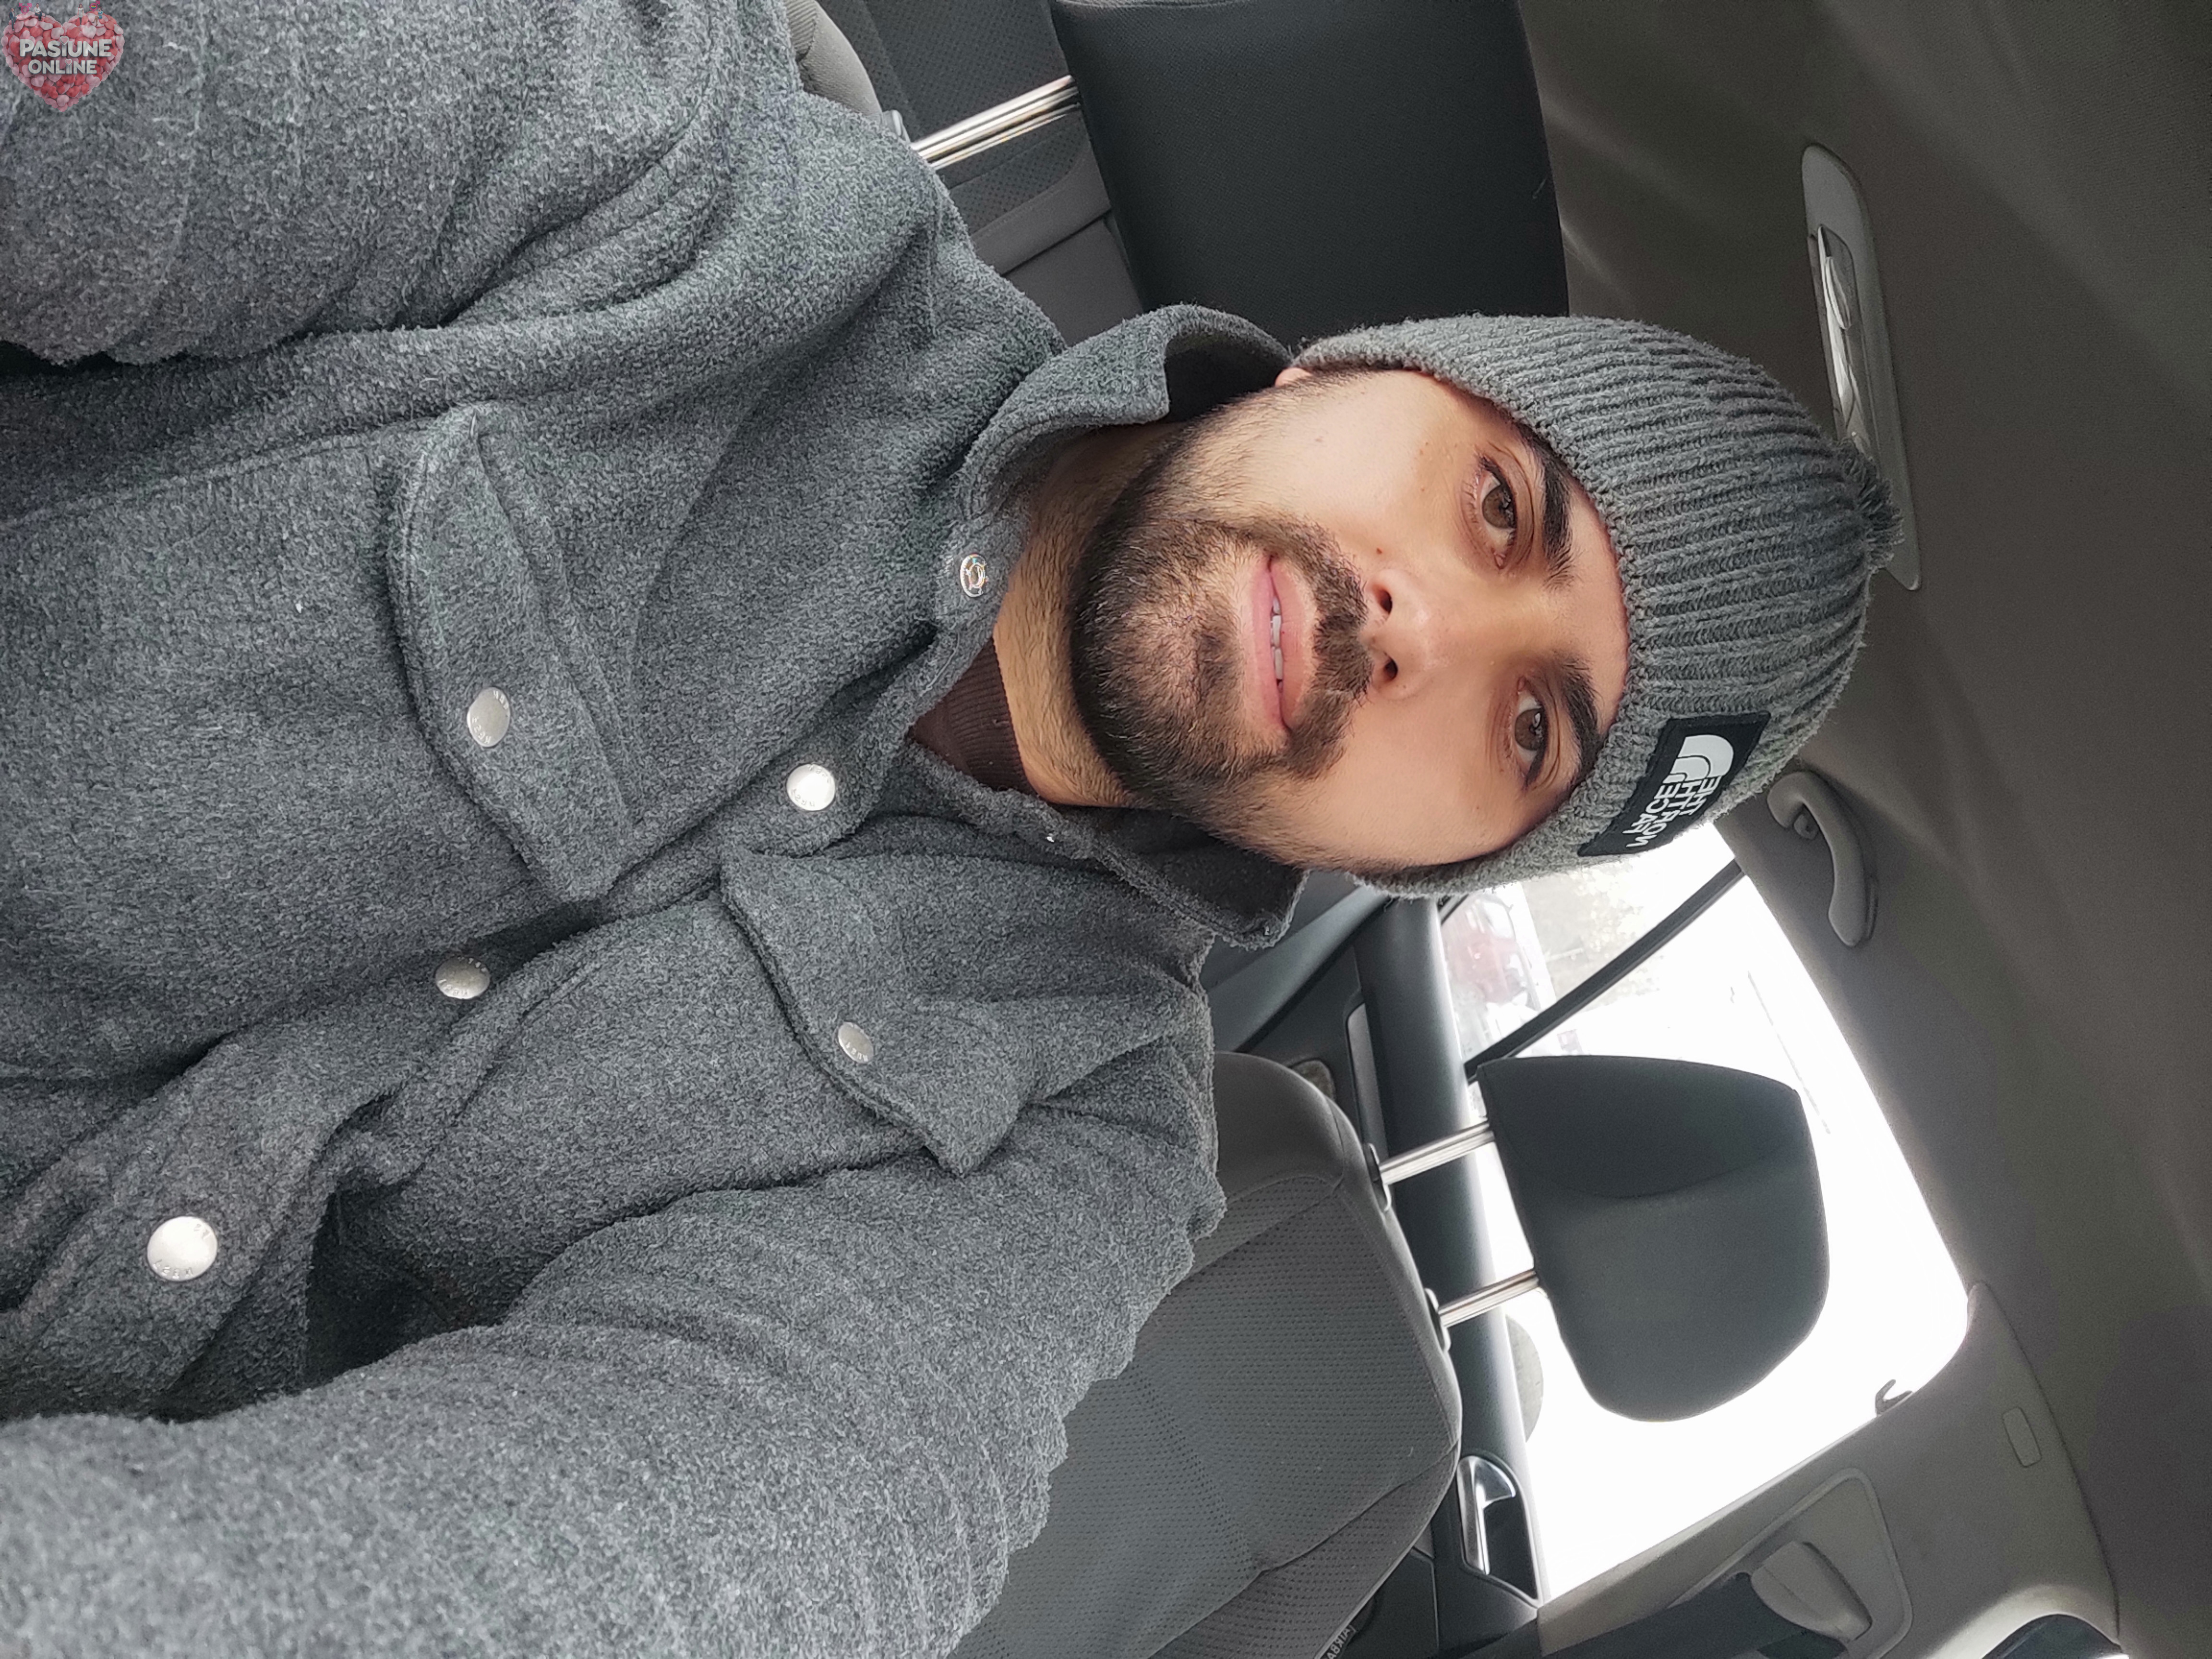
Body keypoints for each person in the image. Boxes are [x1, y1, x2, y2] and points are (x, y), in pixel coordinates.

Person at [0, 0, 1892, 1652]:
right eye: (1501, 510)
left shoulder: (1076, 1155)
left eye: (1530, 728)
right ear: (1363, 369)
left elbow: (740, 1542)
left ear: (1433, 862)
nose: (1429, 634)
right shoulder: (681, 183)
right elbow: (118, 88)